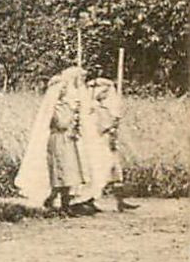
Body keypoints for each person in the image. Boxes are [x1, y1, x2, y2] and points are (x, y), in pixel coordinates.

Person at [15, 67, 87, 213]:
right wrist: (72, 113)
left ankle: (63, 203)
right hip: (58, 139)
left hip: (68, 139)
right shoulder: (55, 108)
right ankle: (57, 201)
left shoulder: (69, 105)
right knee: (61, 171)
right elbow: (61, 123)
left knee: (70, 171)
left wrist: (76, 117)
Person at [74, 77, 130, 213]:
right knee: (101, 171)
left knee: (114, 171)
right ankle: (89, 199)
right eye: (104, 92)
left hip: (106, 142)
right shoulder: (94, 109)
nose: (107, 95)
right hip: (98, 143)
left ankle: (120, 201)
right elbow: (99, 127)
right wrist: (111, 125)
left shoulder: (102, 107)